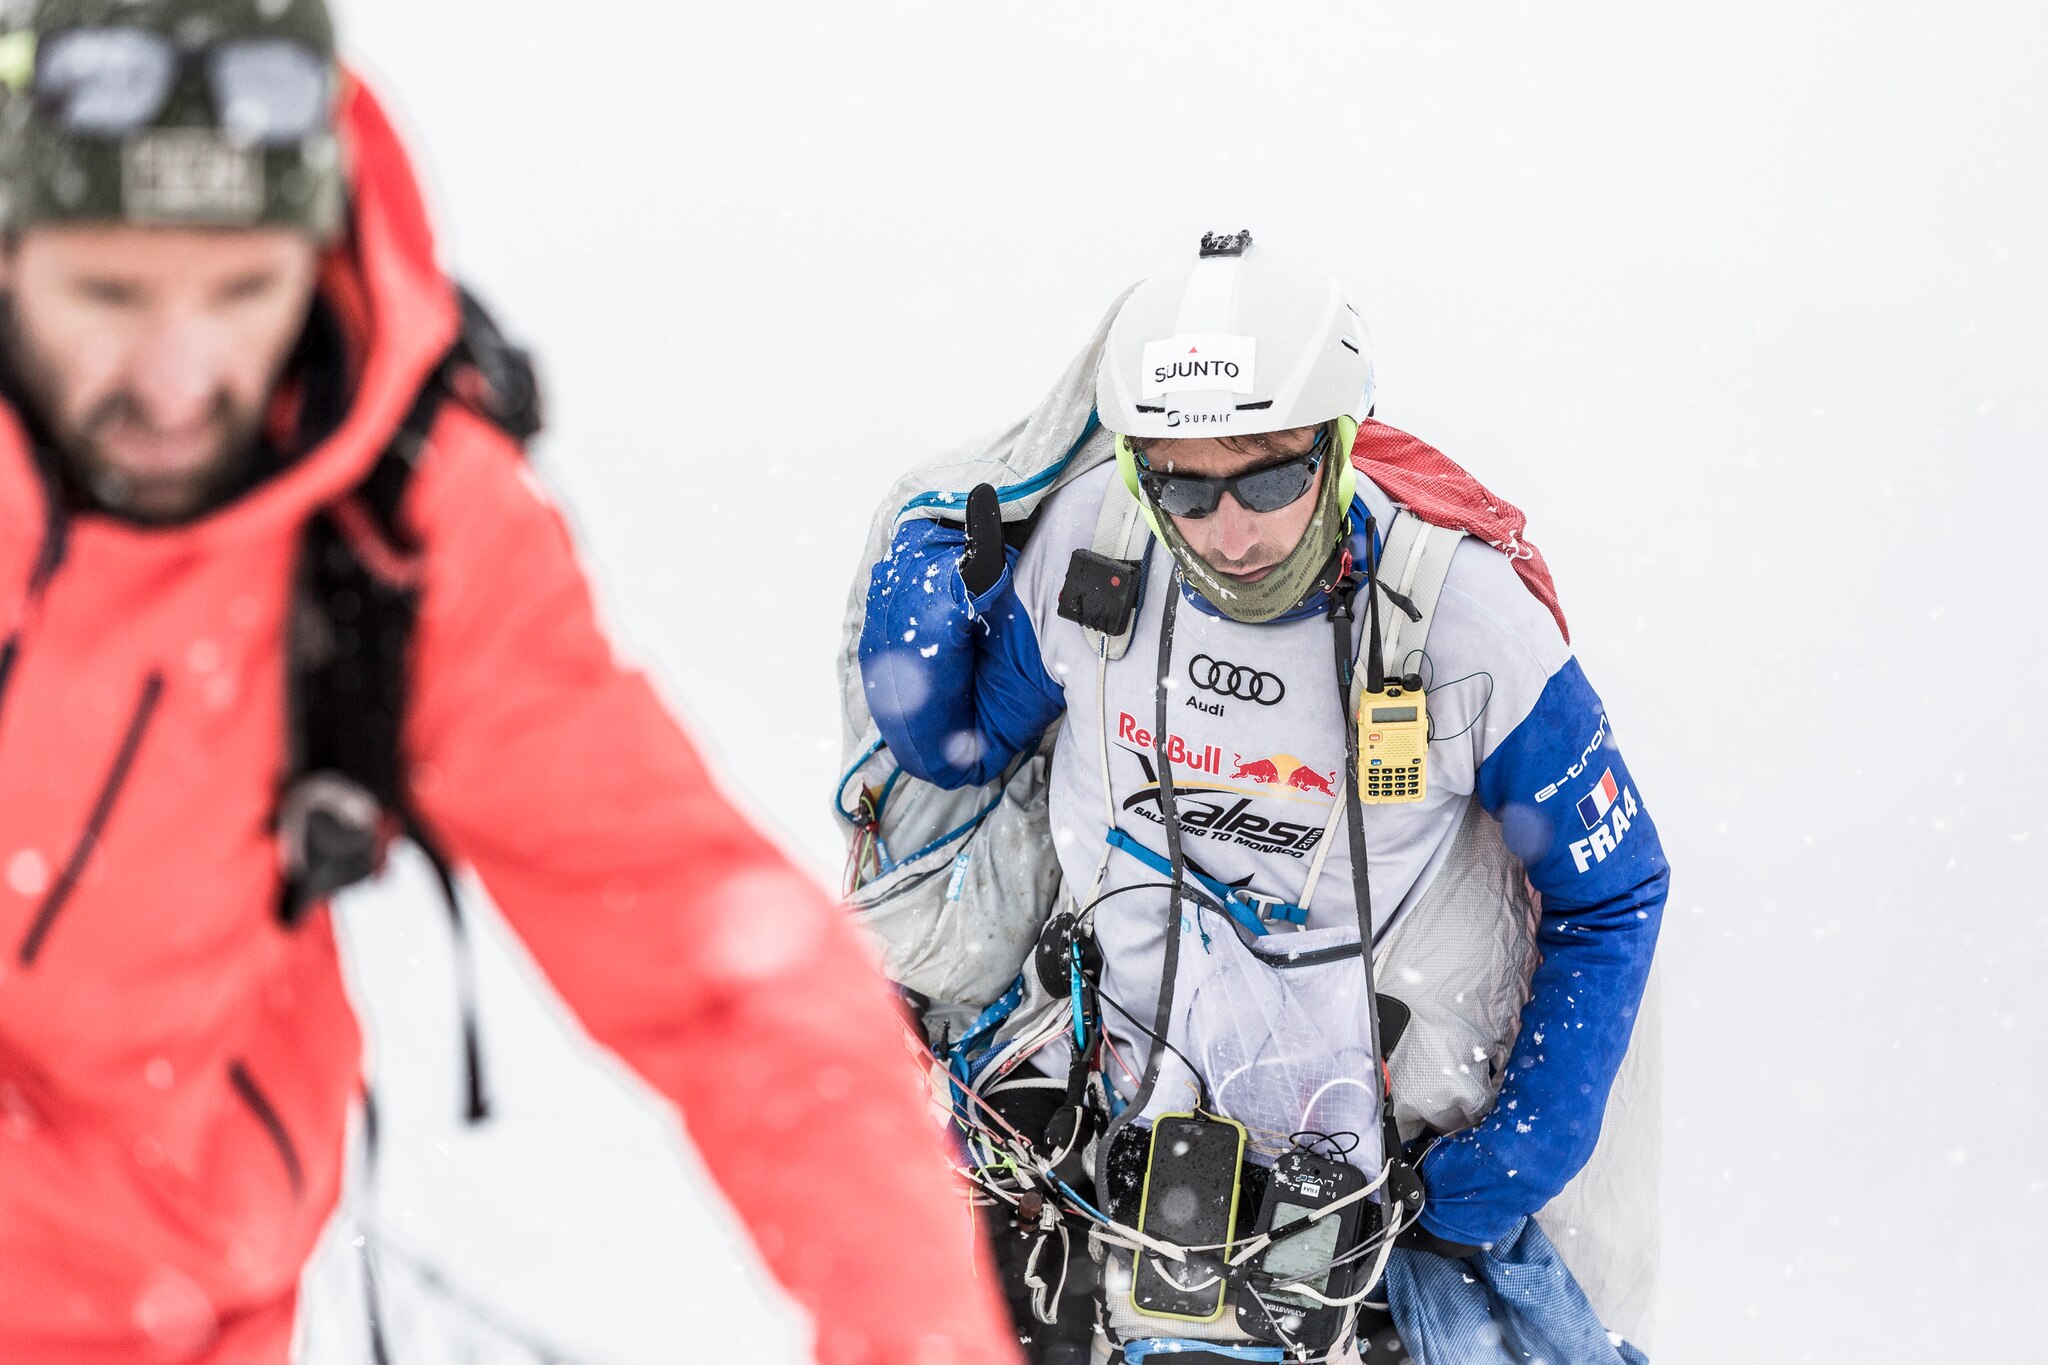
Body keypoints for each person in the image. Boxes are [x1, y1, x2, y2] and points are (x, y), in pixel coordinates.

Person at [0, 3, 1018, 1363]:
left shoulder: (395, 518)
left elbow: (716, 956)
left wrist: (921, 1333)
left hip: (165, 1299)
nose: (182, 379)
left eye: (245, 291)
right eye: (111, 296)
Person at [854, 234, 1671, 1362]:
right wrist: (921, 581)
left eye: (1272, 479)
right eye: (1182, 488)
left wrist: (1529, 1141)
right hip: (1105, 1155)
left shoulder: (1459, 621)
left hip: (1369, 1208)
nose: (1226, 534)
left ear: (1339, 443)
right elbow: (959, 745)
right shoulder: (1100, 551)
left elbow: (1611, 890)